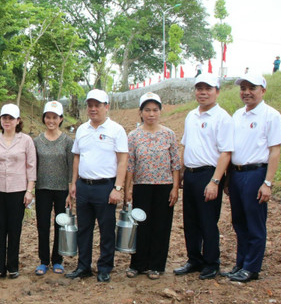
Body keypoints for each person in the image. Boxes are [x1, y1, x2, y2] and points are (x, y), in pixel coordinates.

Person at [223, 72, 281, 282]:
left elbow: (274, 151)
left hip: (256, 173)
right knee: (239, 222)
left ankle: (252, 267)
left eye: (252, 88)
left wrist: (267, 182)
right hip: (237, 173)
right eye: (243, 88)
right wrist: (228, 177)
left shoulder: (271, 116)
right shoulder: (238, 115)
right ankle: (240, 263)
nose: (247, 92)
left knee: (254, 222)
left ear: (263, 90)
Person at [175, 73, 233, 280]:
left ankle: (211, 262)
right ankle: (194, 259)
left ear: (217, 91)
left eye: (208, 89)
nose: (203, 92)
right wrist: (181, 173)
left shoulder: (222, 118)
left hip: (209, 174)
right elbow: (186, 145)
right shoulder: (191, 115)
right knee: (190, 221)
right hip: (191, 174)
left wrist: (215, 181)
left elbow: (226, 152)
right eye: (199, 88)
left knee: (208, 221)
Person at [66, 89, 127, 283]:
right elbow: (77, 157)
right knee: (84, 228)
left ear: (106, 107)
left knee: (106, 229)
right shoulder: (82, 129)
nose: (93, 109)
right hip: (84, 186)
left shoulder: (116, 130)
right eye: (90, 105)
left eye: (97, 105)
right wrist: (73, 183)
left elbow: (123, 160)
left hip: (105, 187)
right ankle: (83, 266)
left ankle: (104, 267)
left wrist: (117, 188)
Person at [124, 93, 181, 280]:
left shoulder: (169, 134)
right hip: (142, 186)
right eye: (147, 110)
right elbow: (130, 164)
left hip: (164, 186)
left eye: (155, 110)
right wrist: (128, 188)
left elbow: (175, 164)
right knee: (140, 225)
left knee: (161, 226)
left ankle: (156, 265)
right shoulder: (133, 136)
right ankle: (138, 264)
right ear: (140, 112)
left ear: (160, 112)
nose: (151, 114)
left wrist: (175, 187)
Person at [0, 103, 35, 282]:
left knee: (14, 229)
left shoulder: (26, 141)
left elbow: (31, 166)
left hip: (18, 190)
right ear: (0, 120)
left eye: (10, 118)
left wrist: (29, 191)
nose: (7, 121)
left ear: (18, 120)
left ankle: (13, 266)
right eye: (4, 118)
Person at [33, 100, 74, 276]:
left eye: (55, 117)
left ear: (61, 119)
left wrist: (71, 190)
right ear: (44, 119)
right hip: (42, 188)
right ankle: (43, 260)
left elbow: (72, 167)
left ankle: (58, 260)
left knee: (60, 225)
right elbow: (33, 165)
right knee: (42, 225)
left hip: (61, 190)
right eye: (48, 117)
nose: (51, 121)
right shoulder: (36, 141)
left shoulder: (67, 141)